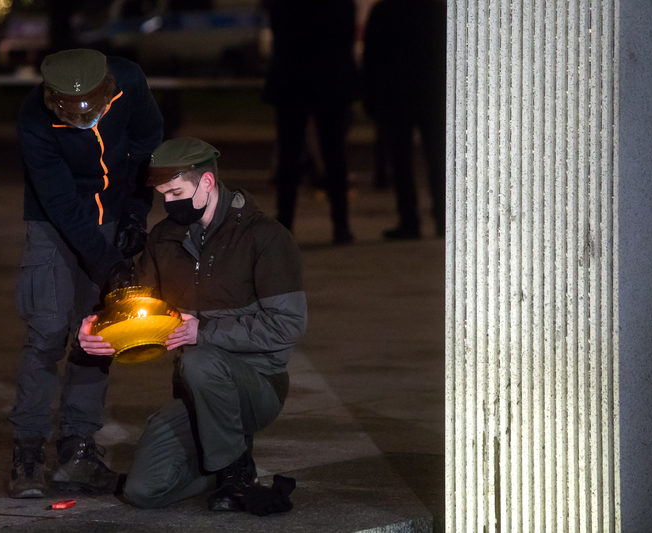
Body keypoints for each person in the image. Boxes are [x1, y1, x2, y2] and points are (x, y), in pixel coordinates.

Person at [78, 137, 306, 513]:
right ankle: (223, 460)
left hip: (258, 384)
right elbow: (140, 307)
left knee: (200, 358)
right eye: (164, 195)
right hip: (193, 389)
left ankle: (237, 471)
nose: (169, 203)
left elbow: (287, 326)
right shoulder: (164, 238)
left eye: (177, 192)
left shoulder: (265, 238)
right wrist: (99, 328)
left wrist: (203, 329)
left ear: (207, 184)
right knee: (142, 491)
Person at [7, 48, 163, 499]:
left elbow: (147, 142)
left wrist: (135, 212)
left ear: (107, 91)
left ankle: (78, 449)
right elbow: (60, 204)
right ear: (52, 98)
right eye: (70, 113)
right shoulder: (33, 119)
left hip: (113, 211)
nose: (83, 120)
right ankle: (28, 451)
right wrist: (110, 263)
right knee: (47, 332)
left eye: (91, 111)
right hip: (52, 221)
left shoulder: (129, 81)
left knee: (97, 331)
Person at [263, 0, 359, 245]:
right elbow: (346, 34)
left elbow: (279, 32)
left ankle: (285, 220)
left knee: (289, 153)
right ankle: (341, 223)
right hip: (329, 79)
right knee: (334, 152)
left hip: (293, 79)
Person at [362, 0, 447, 239]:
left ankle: (410, 220)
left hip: (397, 94)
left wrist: (371, 96)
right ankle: (442, 217)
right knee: (437, 159)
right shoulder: (436, 10)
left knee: (401, 161)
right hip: (432, 94)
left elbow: (372, 57)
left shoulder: (384, 11)